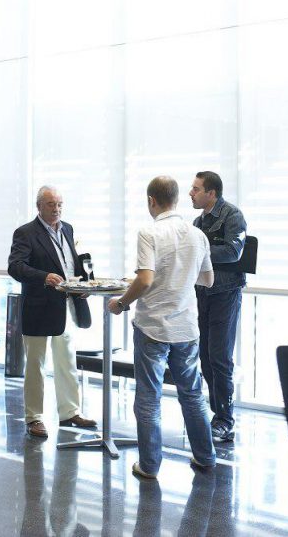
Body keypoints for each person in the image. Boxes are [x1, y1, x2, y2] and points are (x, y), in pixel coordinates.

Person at [108, 176, 216, 480]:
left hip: (153, 327)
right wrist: (178, 279)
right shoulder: (198, 235)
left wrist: (121, 303)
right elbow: (207, 280)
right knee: (192, 395)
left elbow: (144, 280)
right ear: (177, 199)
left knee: (148, 398)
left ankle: (150, 465)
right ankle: (206, 457)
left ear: (151, 201)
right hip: (186, 329)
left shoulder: (149, 232)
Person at [7, 186, 97, 439]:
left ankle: (70, 412)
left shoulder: (67, 228)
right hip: (38, 308)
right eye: (50, 204)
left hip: (66, 306)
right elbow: (16, 267)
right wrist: (44, 277)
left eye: (59, 204)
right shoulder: (25, 233)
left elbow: (70, 263)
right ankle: (34, 417)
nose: (56, 209)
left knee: (67, 361)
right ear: (39, 206)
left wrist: (84, 283)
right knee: (36, 365)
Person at [188, 171, 247, 443]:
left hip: (226, 294)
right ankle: (216, 413)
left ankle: (225, 420)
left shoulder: (232, 215)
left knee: (220, 358)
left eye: (197, 189)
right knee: (206, 358)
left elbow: (234, 252)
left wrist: (200, 248)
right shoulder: (197, 221)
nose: (191, 193)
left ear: (211, 193)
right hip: (203, 294)